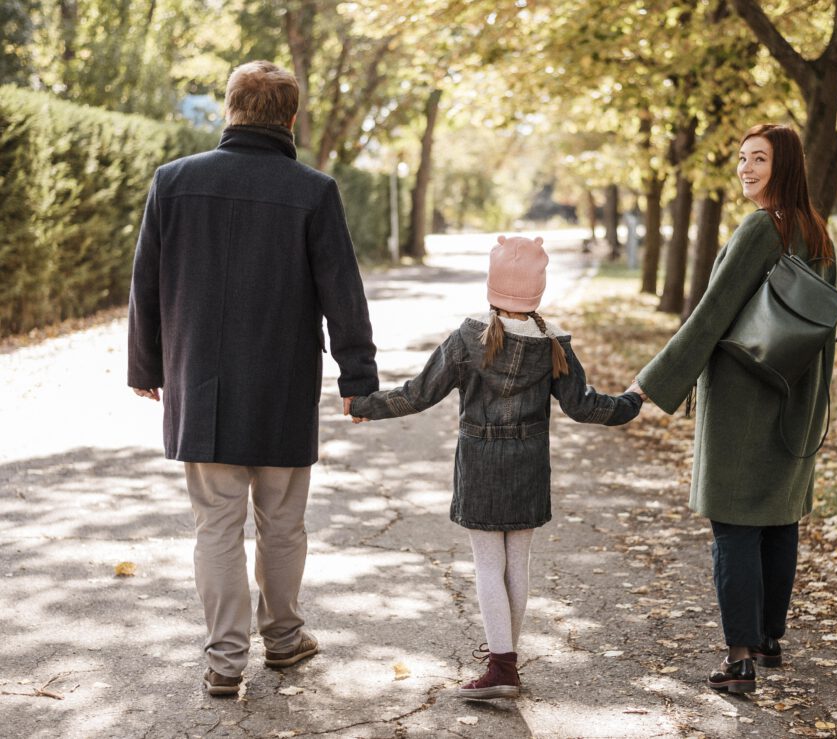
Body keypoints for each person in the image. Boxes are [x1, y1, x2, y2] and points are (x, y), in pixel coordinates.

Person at [127, 61, 379, 696]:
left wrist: (145, 366)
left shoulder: (174, 182)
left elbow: (146, 283)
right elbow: (342, 293)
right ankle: (285, 638)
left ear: (230, 111)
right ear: (290, 119)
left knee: (215, 526)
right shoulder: (314, 191)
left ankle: (223, 662)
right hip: (283, 387)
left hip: (202, 388)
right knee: (283, 523)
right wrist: (358, 377)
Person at [348, 235, 643, 699]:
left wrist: (366, 404)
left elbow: (419, 393)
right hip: (529, 463)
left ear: (492, 286)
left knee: (488, 564)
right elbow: (584, 406)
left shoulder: (469, 338)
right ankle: (505, 657)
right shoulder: (552, 344)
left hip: (481, 461)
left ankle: (502, 665)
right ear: (536, 292)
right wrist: (631, 401)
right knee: (516, 563)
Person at [634, 124, 837, 694]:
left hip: (745, 401)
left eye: (760, 160)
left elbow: (711, 314)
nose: (746, 169)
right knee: (777, 519)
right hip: (795, 398)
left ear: (785, 166)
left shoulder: (761, 228)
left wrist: (653, 384)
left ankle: (739, 658)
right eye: (742, 158)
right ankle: (770, 637)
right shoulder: (817, 234)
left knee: (734, 526)